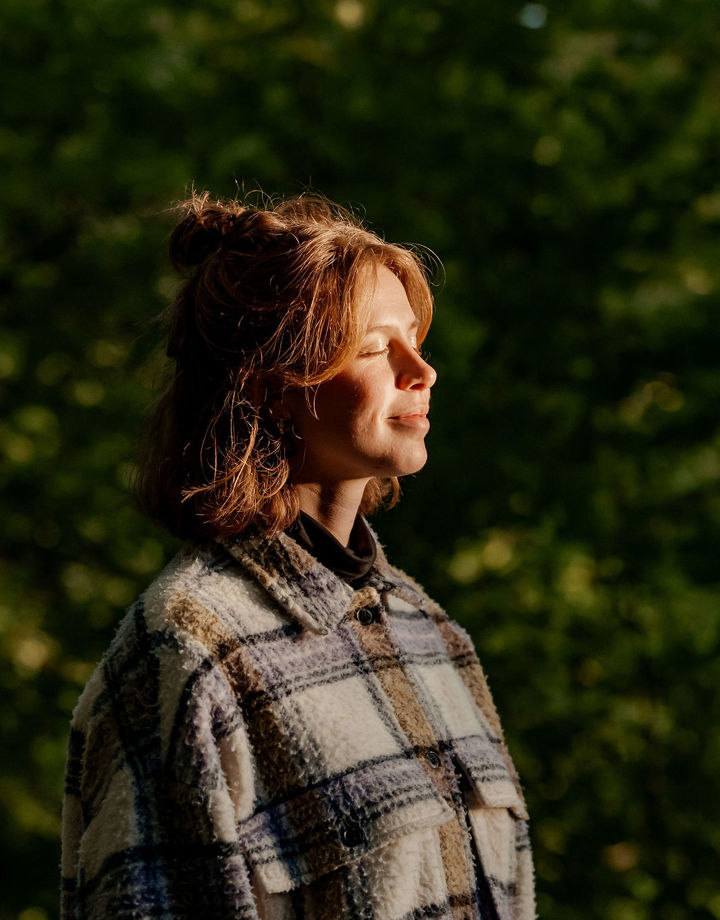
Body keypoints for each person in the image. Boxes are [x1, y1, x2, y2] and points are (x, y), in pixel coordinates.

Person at [61, 192, 535, 920]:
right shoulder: (186, 654)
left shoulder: (433, 634)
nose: (422, 370)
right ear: (270, 385)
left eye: (415, 339)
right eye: (375, 347)